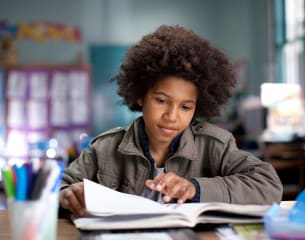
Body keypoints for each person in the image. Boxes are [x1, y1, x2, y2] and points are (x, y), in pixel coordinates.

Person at [59, 25, 283, 217]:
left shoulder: (216, 145)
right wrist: (66, 194)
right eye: (162, 100)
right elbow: (59, 186)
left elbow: (269, 185)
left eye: (186, 107)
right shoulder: (104, 148)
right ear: (140, 96)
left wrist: (194, 188)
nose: (172, 116)